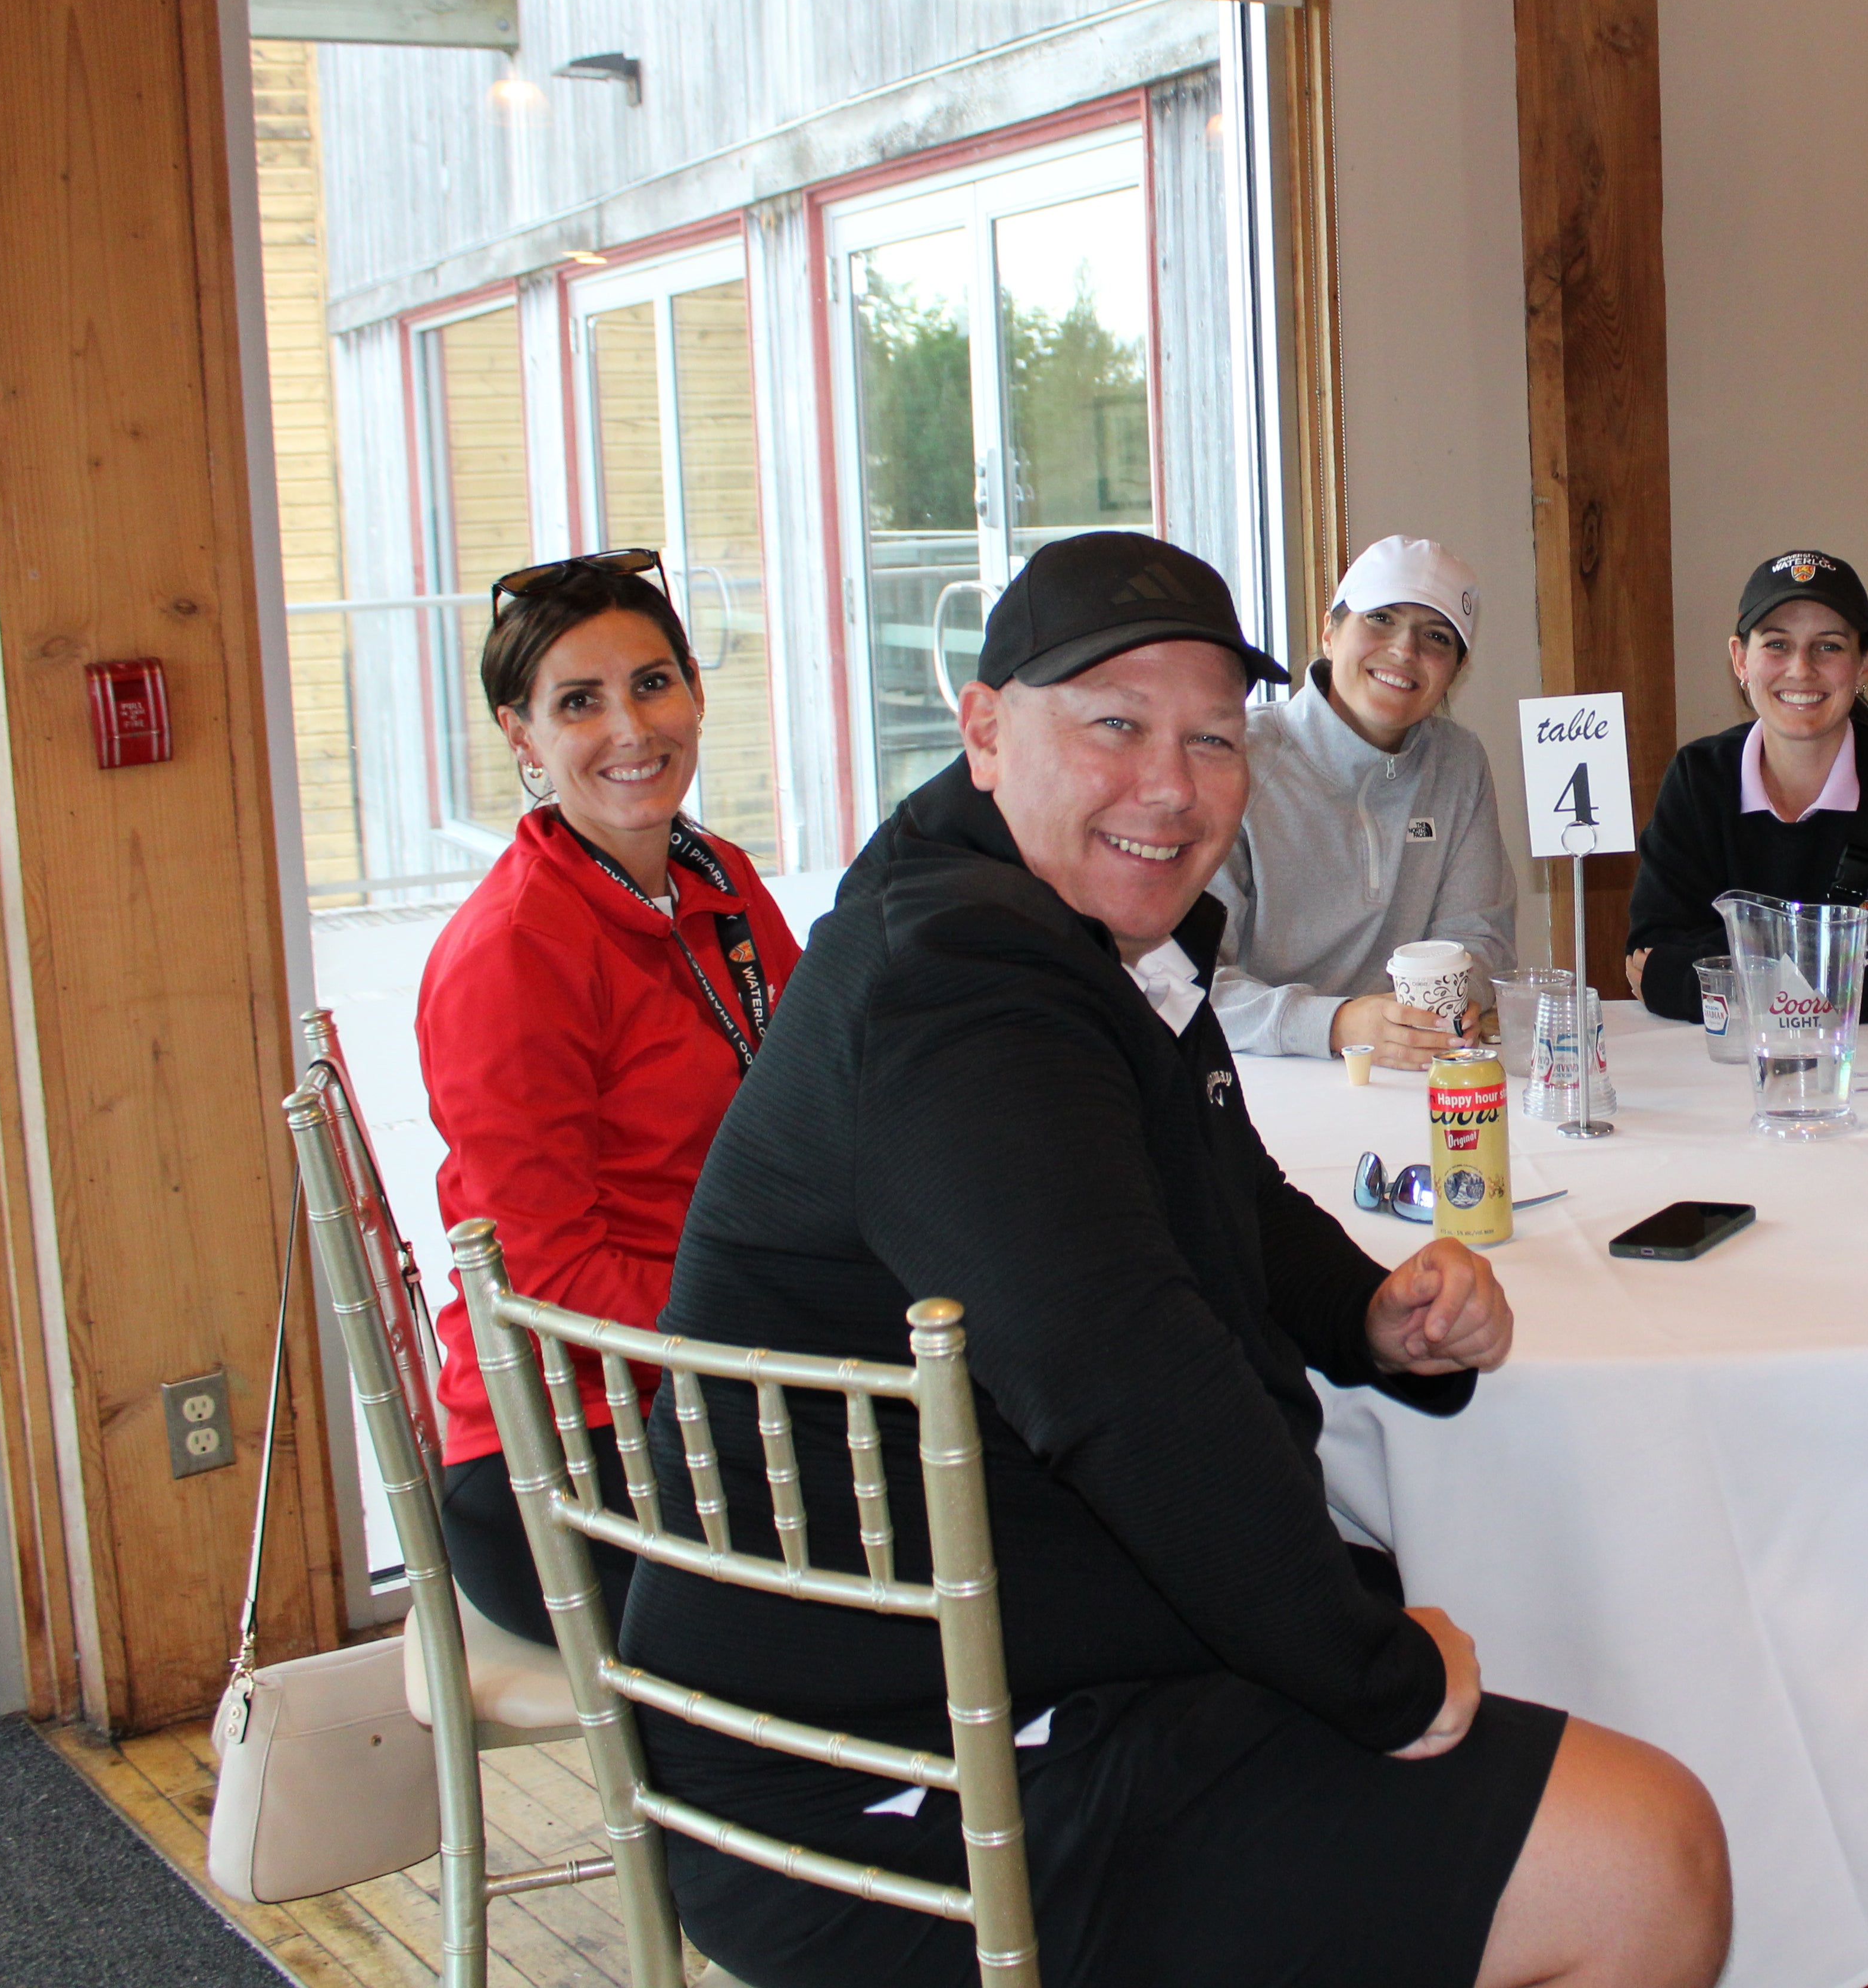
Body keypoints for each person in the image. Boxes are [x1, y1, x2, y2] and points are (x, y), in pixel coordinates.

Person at [623, 532, 1729, 1988]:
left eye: (1212, 737)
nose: (1171, 783)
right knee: (1645, 1856)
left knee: (1489, 1647)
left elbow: (1225, 1177)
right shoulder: (961, 984)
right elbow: (1123, 1380)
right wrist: (1376, 1676)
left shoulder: (1066, 925)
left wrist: (1370, 1314)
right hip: (885, 1763)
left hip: (1014, 1638)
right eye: (1115, 724)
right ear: (983, 725)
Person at [418, 549, 801, 1646]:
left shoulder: (715, 878)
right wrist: (771, 1330)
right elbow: (544, 1270)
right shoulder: (513, 951)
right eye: (579, 703)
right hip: (570, 1451)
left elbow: (818, 1096)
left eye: (652, 683)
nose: (632, 729)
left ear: (693, 690)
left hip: (706, 1382)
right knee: (964, 1550)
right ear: (522, 738)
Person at [1624, 548, 1868, 1021]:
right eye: (1776, 644)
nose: (1800, 669)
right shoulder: (1698, 778)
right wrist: (1866, 946)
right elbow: (1658, 966)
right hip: (1723, 1072)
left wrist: (1723, 966)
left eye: (1829, 646)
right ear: (1740, 659)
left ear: (1866, 663)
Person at [1210, 535, 1519, 1066]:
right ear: (1329, 633)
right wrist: (1336, 1023)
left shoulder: (1459, 762)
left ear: (1456, 672)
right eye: (1380, 619)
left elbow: (1479, 935)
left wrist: (1463, 996)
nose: (1405, 650)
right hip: (1258, 1077)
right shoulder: (1238, 756)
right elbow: (1188, 982)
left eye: (1437, 637)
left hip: (1415, 1075)